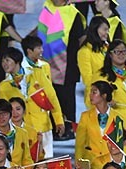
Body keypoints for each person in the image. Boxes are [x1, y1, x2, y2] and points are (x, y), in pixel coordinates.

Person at [35, 0, 85, 136]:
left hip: (67, 63)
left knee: (66, 97)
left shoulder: (73, 14)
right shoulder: (47, 7)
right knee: (50, 96)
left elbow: (82, 38)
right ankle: (53, 128)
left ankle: (68, 129)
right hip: (45, 62)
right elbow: (41, 28)